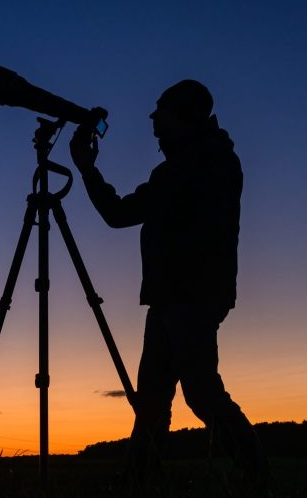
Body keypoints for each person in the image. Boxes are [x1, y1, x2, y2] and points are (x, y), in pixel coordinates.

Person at [69, 80, 267, 486]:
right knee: (155, 399)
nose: (152, 119)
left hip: (188, 296)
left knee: (199, 391)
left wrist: (87, 168)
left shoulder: (195, 163)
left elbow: (119, 213)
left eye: (161, 111)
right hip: (175, 296)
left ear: (186, 115)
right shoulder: (203, 159)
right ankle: (140, 475)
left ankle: (258, 474)